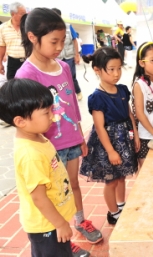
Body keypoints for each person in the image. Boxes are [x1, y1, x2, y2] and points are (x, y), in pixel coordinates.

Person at [15, 8, 103, 256]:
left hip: (71, 139)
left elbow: (72, 102)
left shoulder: (63, 66)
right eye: (53, 41)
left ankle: (79, 221)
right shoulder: (26, 74)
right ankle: (61, 236)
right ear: (33, 37)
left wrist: (80, 133)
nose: (58, 47)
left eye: (62, 41)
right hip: (48, 145)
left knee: (72, 185)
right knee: (52, 192)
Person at [0, 78, 76, 256]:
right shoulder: (30, 155)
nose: (53, 116)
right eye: (46, 112)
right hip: (47, 226)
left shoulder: (37, 137)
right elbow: (39, 198)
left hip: (52, 221)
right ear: (21, 121)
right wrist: (60, 224)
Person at [80, 47, 139, 225]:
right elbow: (99, 127)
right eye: (111, 69)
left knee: (122, 176)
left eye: (119, 68)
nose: (116, 74)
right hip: (109, 143)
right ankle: (113, 213)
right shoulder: (97, 97)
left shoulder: (122, 90)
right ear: (97, 70)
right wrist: (111, 151)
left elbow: (129, 114)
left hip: (124, 139)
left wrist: (135, 135)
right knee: (111, 180)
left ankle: (121, 205)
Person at [51, 8, 83, 101]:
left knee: (71, 76)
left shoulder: (68, 26)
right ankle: (65, 95)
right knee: (59, 78)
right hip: (57, 57)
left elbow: (74, 41)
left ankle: (78, 92)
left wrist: (77, 55)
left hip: (69, 56)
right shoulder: (49, 28)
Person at [0, 2, 26, 80]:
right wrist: (0, 63)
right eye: (22, 13)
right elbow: (2, 46)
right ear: (13, 14)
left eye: (25, 13)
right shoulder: (3, 28)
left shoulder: (29, 27)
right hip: (12, 62)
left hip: (27, 61)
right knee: (11, 86)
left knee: (27, 86)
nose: (25, 16)